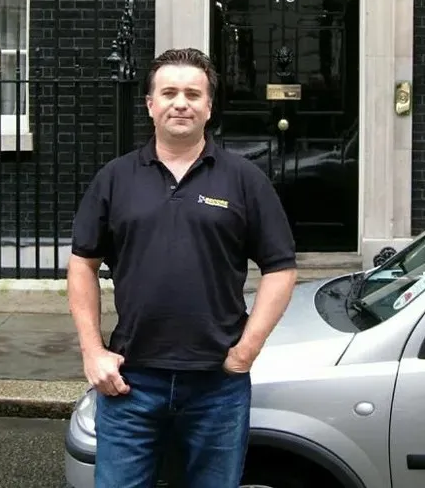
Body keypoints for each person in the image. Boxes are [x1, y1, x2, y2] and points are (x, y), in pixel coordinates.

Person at [67, 46, 298, 488]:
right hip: (130, 382)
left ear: (208, 106)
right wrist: (92, 351)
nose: (181, 102)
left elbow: (281, 268)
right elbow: (82, 264)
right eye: (169, 92)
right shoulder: (115, 179)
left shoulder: (244, 179)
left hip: (218, 385)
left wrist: (246, 350)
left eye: (193, 93)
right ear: (150, 105)